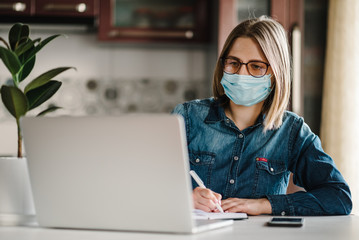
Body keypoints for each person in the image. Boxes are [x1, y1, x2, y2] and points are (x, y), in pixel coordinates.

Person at [172, 16, 352, 216]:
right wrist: (185, 199)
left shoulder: (292, 131)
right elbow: (142, 185)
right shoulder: (186, 118)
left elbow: (339, 197)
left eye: (256, 66)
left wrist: (263, 205)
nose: (242, 74)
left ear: (276, 74)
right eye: (234, 63)